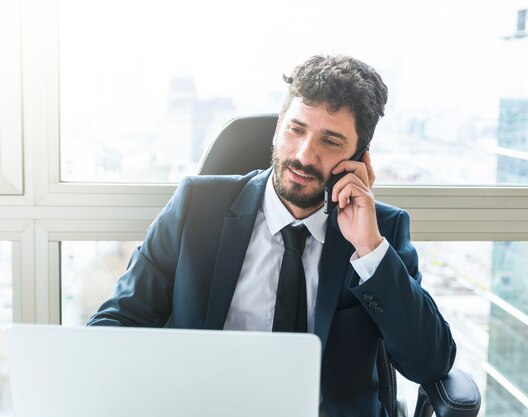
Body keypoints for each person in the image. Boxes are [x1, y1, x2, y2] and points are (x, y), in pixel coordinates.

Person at [88, 54, 456, 417]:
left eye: (330, 142)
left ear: (359, 157)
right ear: (279, 127)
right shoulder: (196, 208)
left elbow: (431, 363)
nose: (303, 155)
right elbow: (116, 324)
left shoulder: (379, 233)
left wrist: (368, 250)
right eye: (296, 130)